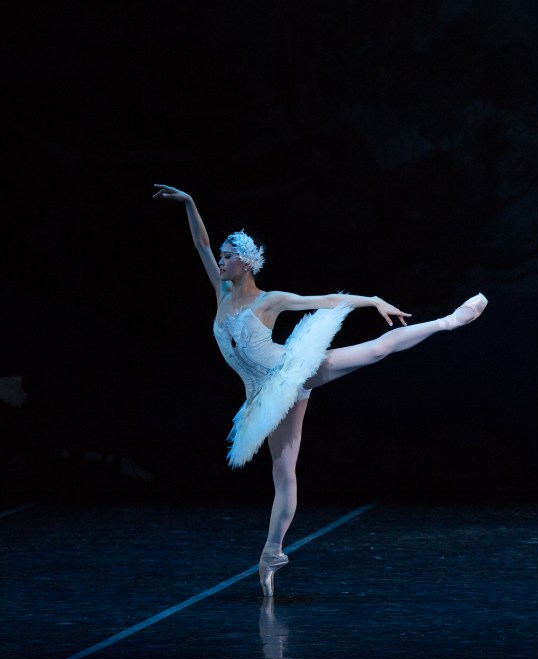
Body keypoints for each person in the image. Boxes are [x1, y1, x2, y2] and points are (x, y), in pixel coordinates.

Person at [153, 183, 488, 596]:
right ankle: (270, 554)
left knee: (375, 350)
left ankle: (449, 321)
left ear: (244, 264)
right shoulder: (221, 294)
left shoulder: (269, 300)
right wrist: (189, 202)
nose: (219, 262)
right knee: (284, 476)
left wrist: (372, 300)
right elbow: (200, 243)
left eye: (227, 258)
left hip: (290, 370)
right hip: (263, 395)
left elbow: (325, 299)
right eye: (220, 258)